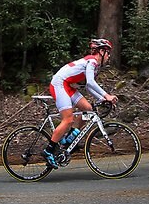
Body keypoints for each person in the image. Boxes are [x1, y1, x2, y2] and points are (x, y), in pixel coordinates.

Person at [41, 38, 118, 168]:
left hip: (67, 85)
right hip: (59, 84)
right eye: (108, 53)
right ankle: (48, 150)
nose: (109, 56)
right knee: (68, 119)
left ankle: (69, 139)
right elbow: (90, 83)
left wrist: (102, 99)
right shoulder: (92, 61)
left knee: (88, 109)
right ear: (101, 51)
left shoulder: (95, 66)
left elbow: (89, 88)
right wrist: (106, 96)